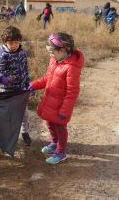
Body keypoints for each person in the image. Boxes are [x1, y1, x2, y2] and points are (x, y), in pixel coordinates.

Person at [29, 32, 84, 164]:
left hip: (61, 106)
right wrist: (32, 85)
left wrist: (64, 111)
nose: (50, 55)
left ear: (64, 49)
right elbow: (47, 78)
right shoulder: (55, 60)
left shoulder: (71, 67)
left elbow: (72, 92)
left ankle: (61, 152)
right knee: (49, 123)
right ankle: (54, 142)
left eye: (52, 52)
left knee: (60, 128)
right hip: (50, 101)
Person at [0, 26, 32, 146]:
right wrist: (5, 80)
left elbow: (25, 70)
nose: (14, 45)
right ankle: (9, 137)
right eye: (11, 43)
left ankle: (25, 132)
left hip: (21, 90)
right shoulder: (2, 56)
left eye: (16, 42)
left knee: (24, 114)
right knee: (9, 116)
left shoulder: (22, 53)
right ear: (5, 42)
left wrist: (28, 84)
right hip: (8, 91)